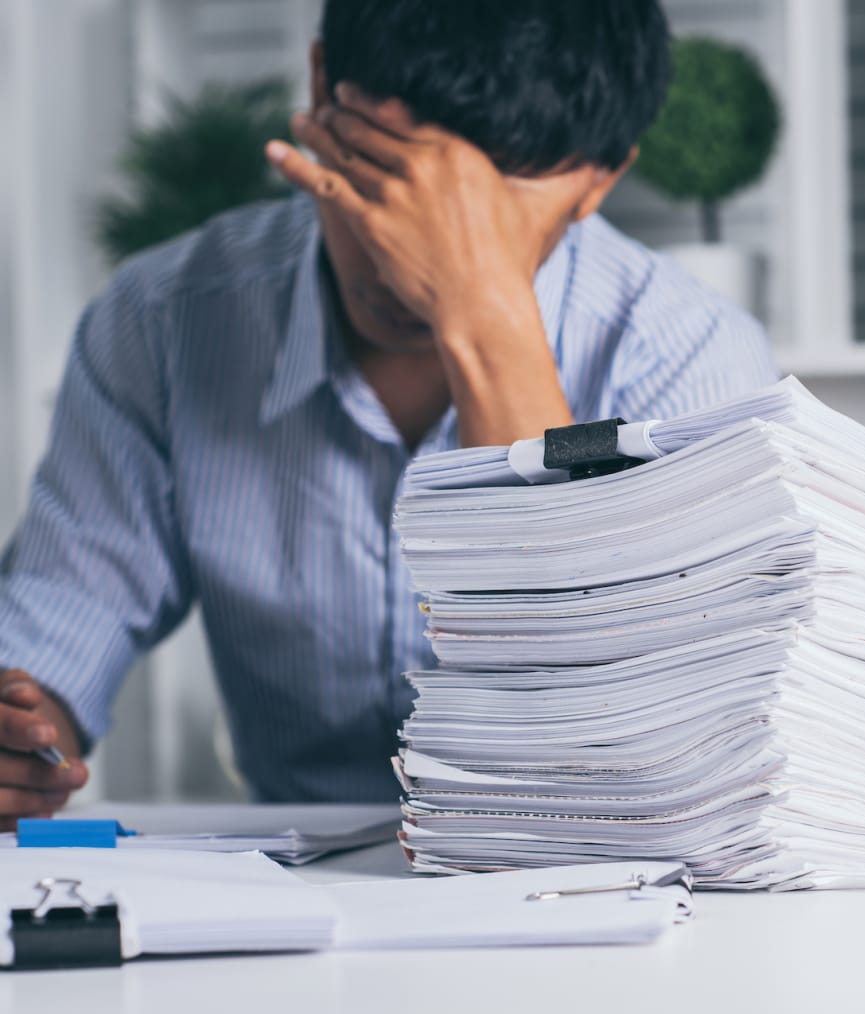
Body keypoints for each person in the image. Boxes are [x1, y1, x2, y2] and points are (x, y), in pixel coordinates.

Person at [0, 0, 779, 826]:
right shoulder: (163, 321)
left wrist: (485, 320)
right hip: (290, 896)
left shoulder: (696, 359)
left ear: (600, 178)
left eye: (478, 208)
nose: (408, 258)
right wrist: (22, 735)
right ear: (322, 87)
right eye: (386, 177)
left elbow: (637, 753)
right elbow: (63, 614)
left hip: (590, 879)